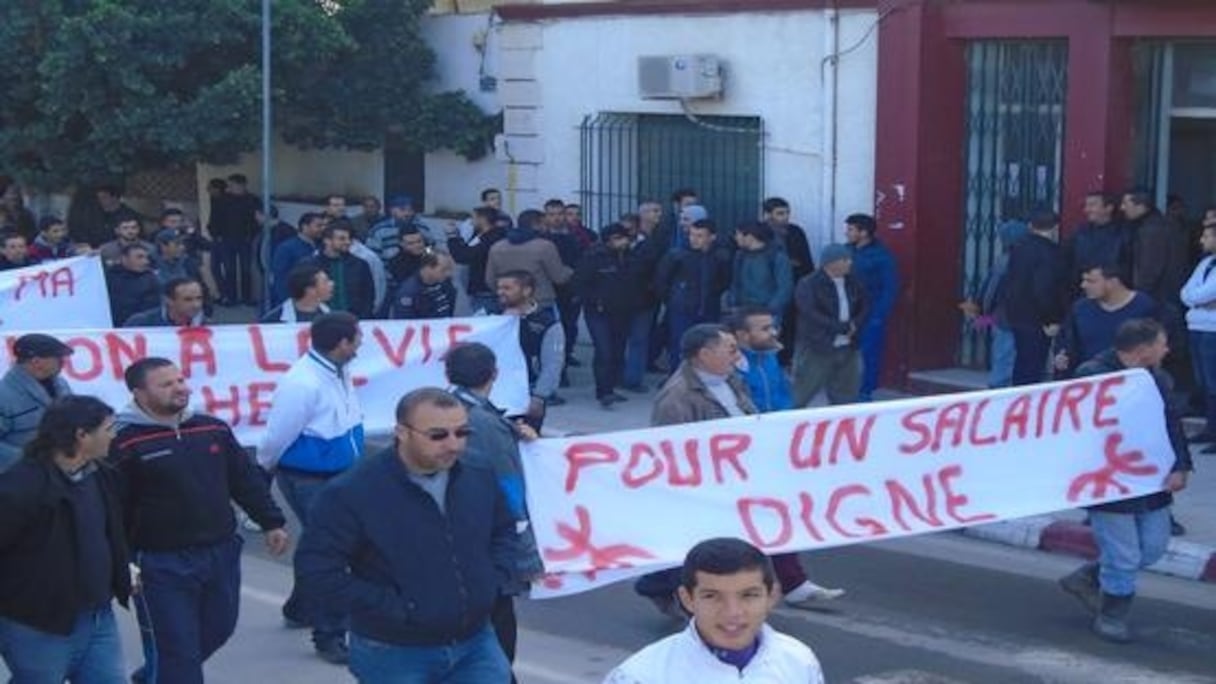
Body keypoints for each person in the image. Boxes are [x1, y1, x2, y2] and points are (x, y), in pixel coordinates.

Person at [295, 388, 516, 682]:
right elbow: (317, 569)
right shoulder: (352, 492)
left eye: (462, 432)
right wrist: (394, 609)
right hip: (393, 650)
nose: (454, 445)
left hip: (475, 642)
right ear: (402, 432)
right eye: (438, 435)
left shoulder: (478, 473)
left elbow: (504, 531)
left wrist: (490, 581)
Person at [108, 358, 288, 683]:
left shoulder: (212, 428)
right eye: (166, 384)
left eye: (180, 380)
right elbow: (111, 509)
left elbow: (243, 480)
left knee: (218, 629)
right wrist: (122, 562)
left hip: (220, 553)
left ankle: (155, 674)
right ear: (138, 392)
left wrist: (271, 521)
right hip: (159, 564)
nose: (179, 388)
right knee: (177, 649)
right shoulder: (121, 441)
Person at [1058, 319, 1191, 643]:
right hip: (1108, 481)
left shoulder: (1158, 379)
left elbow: (1171, 423)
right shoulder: (1093, 375)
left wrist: (1181, 465)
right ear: (1143, 349)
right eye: (1162, 343)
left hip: (1149, 478)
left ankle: (1089, 577)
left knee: (1153, 547)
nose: (1167, 349)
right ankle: (1111, 615)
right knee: (1125, 555)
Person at [0, 396, 130, 684]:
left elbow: (107, 533)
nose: (114, 435)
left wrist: (122, 567)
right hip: (38, 625)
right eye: (108, 428)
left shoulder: (102, 476)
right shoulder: (20, 487)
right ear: (81, 435)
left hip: (98, 619)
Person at [258, 312, 364, 664]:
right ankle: (330, 632)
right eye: (357, 339)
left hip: (339, 472)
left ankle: (302, 606)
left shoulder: (337, 370)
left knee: (322, 544)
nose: (361, 345)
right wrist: (265, 468)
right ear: (342, 344)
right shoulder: (303, 383)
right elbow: (277, 433)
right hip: (308, 477)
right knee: (333, 551)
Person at [635, 324, 756, 617]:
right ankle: (681, 593)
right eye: (729, 348)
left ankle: (662, 584)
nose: (735, 354)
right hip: (707, 485)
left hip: (737, 475)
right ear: (704, 354)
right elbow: (670, 450)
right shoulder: (677, 398)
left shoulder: (732, 381)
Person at [730, 307, 846, 606]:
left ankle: (792, 582)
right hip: (740, 457)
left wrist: (784, 429)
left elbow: (783, 396)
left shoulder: (768, 359)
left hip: (768, 451)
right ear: (742, 335)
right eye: (764, 328)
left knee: (775, 514)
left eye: (773, 326)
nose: (773, 333)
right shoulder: (729, 369)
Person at [444, 344, 543, 681]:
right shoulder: (485, 426)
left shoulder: (439, 409)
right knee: (496, 638)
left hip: (448, 544)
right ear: (494, 375)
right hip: (484, 549)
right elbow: (509, 493)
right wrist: (527, 557)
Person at [607, 538, 825, 683]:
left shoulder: (798, 660)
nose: (732, 612)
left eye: (748, 595)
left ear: (772, 596)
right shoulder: (642, 676)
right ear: (687, 599)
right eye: (712, 596)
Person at [574, 223, 642, 408]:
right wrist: (595, 301)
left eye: (624, 237)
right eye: (616, 238)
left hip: (623, 311)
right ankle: (603, 392)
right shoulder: (594, 258)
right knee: (604, 351)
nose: (622, 242)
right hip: (598, 312)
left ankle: (611, 387)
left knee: (618, 351)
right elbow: (580, 284)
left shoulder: (632, 258)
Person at [792, 244, 868, 408]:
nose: (850, 263)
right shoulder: (809, 283)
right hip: (817, 345)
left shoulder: (853, 281)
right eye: (845, 260)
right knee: (801, 392)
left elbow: (864, 305)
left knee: (847, 394)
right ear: (830, 263)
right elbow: (810, 313)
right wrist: (841, 327)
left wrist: (856, 323)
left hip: (849, 346)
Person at [654, 219, 733, 373]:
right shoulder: (677, 255)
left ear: (712, 237)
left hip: (709, 307)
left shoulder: (720, 256)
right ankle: (678, 378)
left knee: (708, 345)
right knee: (679, 345)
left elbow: (725, 280)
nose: (694, 239)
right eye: (692, 235)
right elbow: (661, 280)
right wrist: (673, 299)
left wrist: (713, 294)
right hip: (681, 308)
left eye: (700, 236)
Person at [1053, 265, 1158, 377]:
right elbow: (1066, 341)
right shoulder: (1080, 308)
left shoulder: (1145, 307)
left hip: (1129, 380)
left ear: (1113, 282)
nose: (1083, 285)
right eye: (1083, 280)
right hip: (1088, 380)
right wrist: (1061, 357)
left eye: (1091, 281)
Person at [959, 219, 1028, 388]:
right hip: (1017, 317)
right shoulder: (1022, 260)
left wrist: (982, 311)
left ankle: (998, 387)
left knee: (1004, 354)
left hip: (1004, 317)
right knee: (1011, 354)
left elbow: (990, 290)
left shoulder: (1004, 260)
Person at [1003, 209, 1068, 386]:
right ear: (1055, 228)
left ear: (1031, 226)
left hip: (1017, 314)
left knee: (1023, 362)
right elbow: (1044, 288)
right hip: (1037, 317)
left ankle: (1017, 398)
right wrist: (1050, 319)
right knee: (1033, 364)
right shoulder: (1051, 252)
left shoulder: (1019, 248)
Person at [497, 270, 565, 429]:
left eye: (507, 288)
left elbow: (553, 364)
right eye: (499, 288)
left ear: (526, 290)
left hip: (528, 393)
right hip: (492, 393)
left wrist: (540, 396)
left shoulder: (547, 324)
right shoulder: (488, 317)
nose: (500, 292)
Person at [0, 334, 75, 471]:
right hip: (24, 479)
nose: (63, 362)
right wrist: (28, 460)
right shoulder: (3, 395)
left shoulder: (62, 385)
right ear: (36, 361)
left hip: (65, 470)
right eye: (57, 357)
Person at [846, 213, 900, 401]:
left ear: (864, 232)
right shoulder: (845, 251)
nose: (847, 233)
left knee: (868, 353)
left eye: (851, 229)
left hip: (871, 312)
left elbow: (890, 288)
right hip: (847, 312)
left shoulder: (882, 257)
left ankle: (865, 391)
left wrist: (879, 315)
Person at [485, 209, 573, 310]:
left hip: (509, 303)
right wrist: (571, 271)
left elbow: (490, 280)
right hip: (540, 302)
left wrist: (507, 291)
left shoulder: (497, 247)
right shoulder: (545, 246)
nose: (546, 228)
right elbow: (559, 277)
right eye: (544, 224)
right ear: (536, 225)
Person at [763, 198, 814, 364]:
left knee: (790, 325)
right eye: (780, 214)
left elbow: (806, 261)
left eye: (786, 213)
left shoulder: (796, 232)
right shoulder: (760, 232)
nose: (785, 217)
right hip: (768, 288)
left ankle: (786, 360)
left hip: (793, 285)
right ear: (767, 214)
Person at [1181, 221, 1216, 452]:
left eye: (1207, 236)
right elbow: (1186, 292)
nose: (1202, 240)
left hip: (1213, 329)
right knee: (1202, 381)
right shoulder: (1205, 263)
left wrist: (1198, 299)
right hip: (1196, 326)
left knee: (1214, 382)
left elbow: (1209, 292)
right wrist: (1199, 302)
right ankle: (1209, 428)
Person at [1063, 192, 1133, 292]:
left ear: (1109, 208)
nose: (1087, 210)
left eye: (1092, 205)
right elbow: (1068, 261)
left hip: (1113, 293)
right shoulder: (1079, 232)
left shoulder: (1124, 233)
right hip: (1082, 291)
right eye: (1086, 206)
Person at [210, 174, 261, 306]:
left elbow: (258, 220)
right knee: (229, 270)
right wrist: (216, 235)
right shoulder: (222, 200)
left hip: (245, 240)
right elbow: (214, 218)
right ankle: (231, 298)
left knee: (246, 270)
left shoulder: (253, 200)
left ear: (242, 185)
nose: (229, 188)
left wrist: (252, 235)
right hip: (226, 240)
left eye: (232, 185)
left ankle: (247, 298)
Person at [729, 222, 793, 325]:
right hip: (743, 311)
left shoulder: (777, 257)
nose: (735, 237)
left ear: (750, 236)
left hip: (768, 313)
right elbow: (735, 283)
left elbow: (785, 289)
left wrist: (769, 311)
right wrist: (733, 304)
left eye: (738, 234)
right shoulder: (740, 256)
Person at [448, 207, 507, 315]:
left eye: (473, 218)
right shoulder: (481, 235)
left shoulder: (492, 239)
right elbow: (467, 249)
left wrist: (451, 237)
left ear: (482, 219)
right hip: (481, 290)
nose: (471, 222)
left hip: (486, 292)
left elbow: (463, 256)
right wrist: (457, 237)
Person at [311, 221, 375, 318]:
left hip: (354, 320)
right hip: (320, 320)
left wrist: (363, 318)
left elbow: (369, 296)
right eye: (342, 239)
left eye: (349, 238)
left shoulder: (360, 264)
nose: (347, 242)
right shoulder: (311, 265)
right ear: (327, 240)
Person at [270, 212, 324, 304]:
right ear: (305, 227)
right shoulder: (286, 248)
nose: (322, 229)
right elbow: (280, 278)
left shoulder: (321, 246)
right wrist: (287, 301)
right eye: (318, 226)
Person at [106, 243, 162, 327]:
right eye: (139, 257)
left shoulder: (151, 279)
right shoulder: (108, 276)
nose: (145, 261)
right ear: (124, 259)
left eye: (146, 258)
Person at [389, 251, 457, 320]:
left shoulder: (446, 286)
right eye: (444, 270)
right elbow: (405, 324)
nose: (448, 274)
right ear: (428, 267)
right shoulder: (408, 292)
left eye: (449, 269)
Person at [261, 263, 334, 323]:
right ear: (310, 290)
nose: (332, 284)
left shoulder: (331, 316)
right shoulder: (272, 321)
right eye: (325, 282)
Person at [124, 277, 208, 328]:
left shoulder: (210, 327)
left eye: (199, 298)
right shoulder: (141, 323)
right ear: (168, 300)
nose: (196, 305)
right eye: (188, 299)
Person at [367, 195, 424, 262]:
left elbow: (431, 248)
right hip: (386, 270)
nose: (407, 213)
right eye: (402, 210)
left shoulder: (421, 227)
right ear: (392, 211)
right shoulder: (379, 230)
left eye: (410, 210)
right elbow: (372, 257)